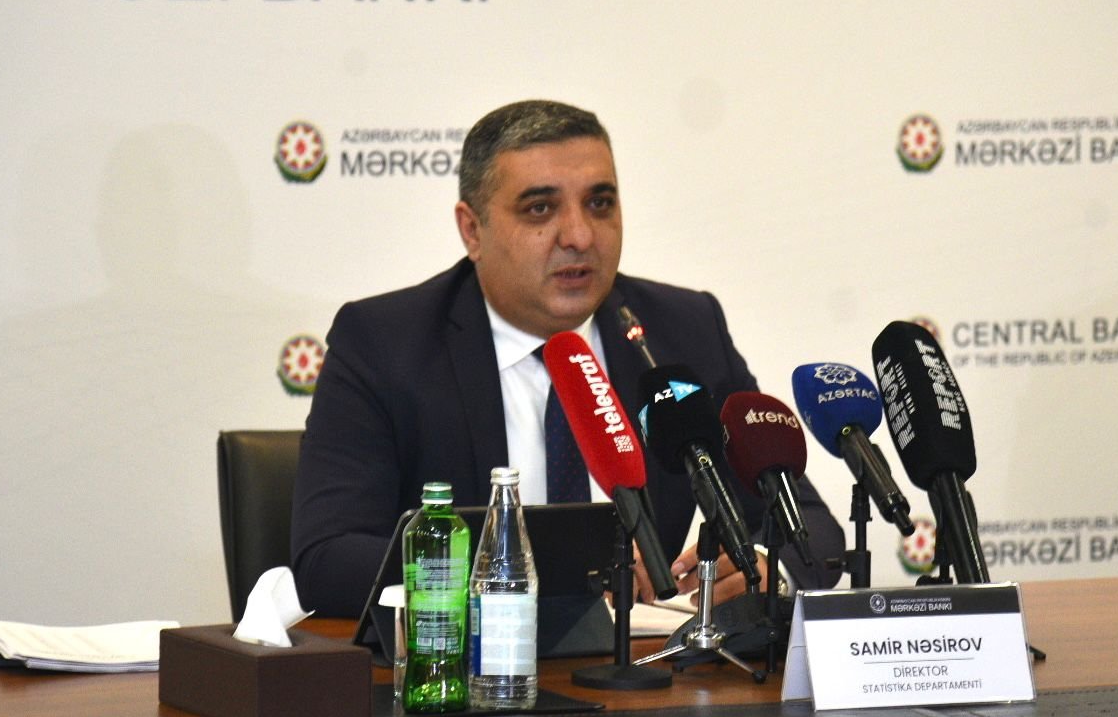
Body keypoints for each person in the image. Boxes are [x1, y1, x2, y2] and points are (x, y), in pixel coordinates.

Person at [291, 99, 844, 617]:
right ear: (472, 230)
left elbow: (808, 525)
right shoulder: (385, 344)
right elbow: (327, 558)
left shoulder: (682, 330)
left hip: (645, 672)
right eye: (540, 208)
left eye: (600, 203)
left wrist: (766, 567)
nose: (579, 235)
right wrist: (533, 571)